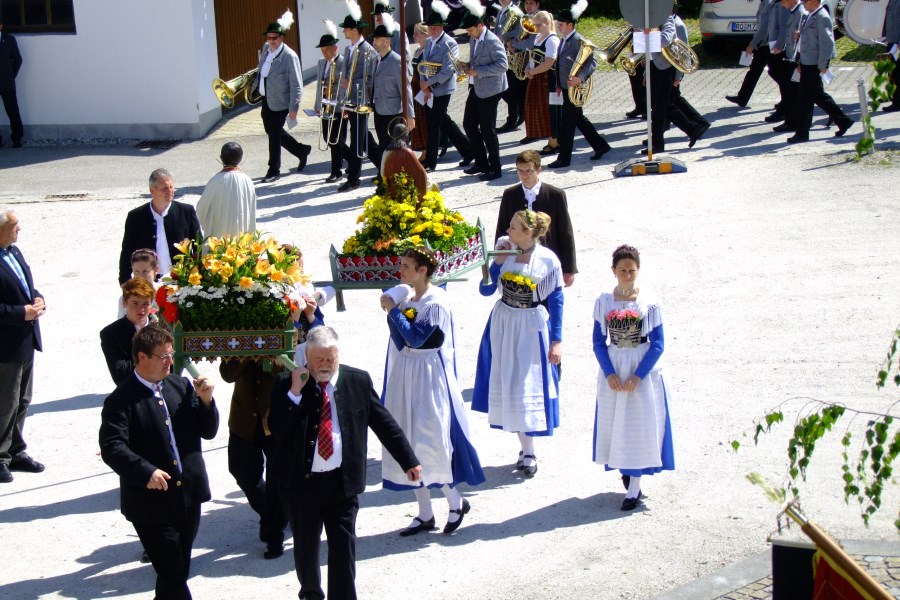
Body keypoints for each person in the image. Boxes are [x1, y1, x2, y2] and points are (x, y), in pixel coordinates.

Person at [268, 326, 422, 600]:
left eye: (331, 359)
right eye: (319, 360)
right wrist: (294, 392)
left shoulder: (357, 381)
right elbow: (277, 430)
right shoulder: (287, 383)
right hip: (302, 486)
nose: (325, 365)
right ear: (307, 356)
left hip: (342, 483)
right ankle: (311, 595)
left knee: (343, 548)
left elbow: (383, 423)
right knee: (306, 549)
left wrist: (408, 459)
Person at [99, 325, 219, 599]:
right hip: (150, 503)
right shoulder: (120, 400)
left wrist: (206, 401)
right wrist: (145, 471)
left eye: (171, 355)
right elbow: (111, 446)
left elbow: (208, 431)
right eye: (163, 356)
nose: (170, 361)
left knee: (176, 571)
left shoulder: (180, 385)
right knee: (174, 574)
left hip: (188, 495)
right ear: (142, 358)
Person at [379, 248, 484, 536]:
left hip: (428, 373)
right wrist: (395, 314)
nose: (401, 271)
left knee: (430, 439)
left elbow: (416, 336)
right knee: (408, 439)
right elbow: (401, 342)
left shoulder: (436, 301)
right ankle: (425, 513)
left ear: (423, 270)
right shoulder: (410, 298)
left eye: (407, 266)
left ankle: (455, 502)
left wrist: (393, 311)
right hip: (408, 370)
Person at [472, 209, 562, 478]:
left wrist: (556, 340)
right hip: (503, 323)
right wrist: (497, 262)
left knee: (527, 385)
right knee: (509, 383)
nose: (508, 230)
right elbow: (486, 290)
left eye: (513, 227)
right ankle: (524, 447)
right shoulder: (505, 250)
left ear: (528, 232)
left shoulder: (547, 260)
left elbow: (556, 302)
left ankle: (530, 450)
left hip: (530, 325)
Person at [592, 245, 674, 511]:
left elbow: (658, 344)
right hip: (616, 363)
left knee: (640, 424)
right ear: (613, 271)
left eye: (632, 270)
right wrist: (610, 373)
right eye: (622, 270)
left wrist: (639, 376)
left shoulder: (649, 303)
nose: (627, 275)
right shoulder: (604, 301)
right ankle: (627, 470)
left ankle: (634, 488)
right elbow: (598, 341)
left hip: (640, 366)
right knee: (616, 422)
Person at [0, 207, 45, 484]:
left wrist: (38, 299)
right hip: (5, 346)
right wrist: (21, 313)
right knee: (5, 403)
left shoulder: (13, 252)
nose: (20, 229)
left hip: (25, 340)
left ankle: (16, 451)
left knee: (22, 400)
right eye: (15, 225)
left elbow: (27, 286)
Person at [495, 150, 576, 286]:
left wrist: (569, 268)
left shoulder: (555, 195)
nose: (523, 175)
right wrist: (499, 259)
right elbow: (502, 228)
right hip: (518, 261)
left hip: (546, 262)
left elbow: (565, 232)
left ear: (539, 170)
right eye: (520, 171)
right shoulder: (510, 194)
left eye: (528, 171)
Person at [548, 2, 610, 169]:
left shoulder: (578, 40)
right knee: (579, 120)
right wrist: (560, 84)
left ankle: (564, 159)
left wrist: (580, 78)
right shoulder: (564, 40)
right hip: (566, 87)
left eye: (561, 24)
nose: (559, 27)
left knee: (567, 125)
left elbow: (592, 62)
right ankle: (601, 146)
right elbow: (561, 63)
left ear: (570, 25)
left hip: (575, 88)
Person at [118, 169, 202, 286]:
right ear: (152, 190)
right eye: (164, 188)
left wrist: (201, 273)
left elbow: (199, 246)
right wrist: (124, 279)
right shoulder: (136, 217)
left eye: (171, 187)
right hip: (148, 280)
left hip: (181, 278)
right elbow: (127, 250)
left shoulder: (186, 211)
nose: (170, 191)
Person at [788, 0, 853, 143]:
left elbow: (827, 42)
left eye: (805, 1)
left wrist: (824, 64)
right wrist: (799, 58)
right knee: (819, 96)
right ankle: (843, 121)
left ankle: (802, 133)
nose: (803, 4)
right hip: (806, 62)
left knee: (805, 99)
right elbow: (806, 39)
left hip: (814, 64)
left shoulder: (822, 17)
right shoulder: (808, 15)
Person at [419, 1, 473, 173]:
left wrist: (430, 84)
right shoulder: (429, 42)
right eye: (431, 27)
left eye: (436, 27)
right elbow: (423, 64)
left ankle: (431, 161)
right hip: (429, 88)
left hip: (442, 88)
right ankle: (468, 149)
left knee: (434, 123)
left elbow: (448, 70)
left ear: (442, 27)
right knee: (443, 121)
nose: (433, 30)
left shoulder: (450, 43)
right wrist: (423, 83)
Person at [257, 16, 312, 184]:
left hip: (281, 102)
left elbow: (297, 85)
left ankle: (274, 170)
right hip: (267, 99)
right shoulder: (266, 48)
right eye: (269, 38)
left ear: (281, 38)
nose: (271, 41)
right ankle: (301, 150)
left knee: (273, 135)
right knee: (271, 130)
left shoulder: (290, 56)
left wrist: (294, 107)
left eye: (275, 38)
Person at [460, 1, 508, 181]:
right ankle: (481, 162)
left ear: (480, 25)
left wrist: (477, 71)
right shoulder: (475, 38)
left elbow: (503, 65)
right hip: (477, 87)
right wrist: (468, 65)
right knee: (469, 124)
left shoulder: (492, 41)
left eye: (471, 29)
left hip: (491, 89)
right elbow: (477, 61)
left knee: (488, 130)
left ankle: (495, 168)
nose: (469, 33)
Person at [369, 15, 415, 181]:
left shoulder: (396, 61)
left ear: (387, 42)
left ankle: (394, 177)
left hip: (393, 111)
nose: (374, 42)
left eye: (378, 39)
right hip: (380, 109)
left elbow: (406, 89)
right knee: (383, 145)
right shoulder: (376, 60)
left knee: (394, 147)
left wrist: (410, 115)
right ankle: (383, 176)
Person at [337, 5, 378, 192]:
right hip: (351, 100)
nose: (344, 31)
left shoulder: (367, 50)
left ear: (354, 30)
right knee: (364, 138)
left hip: (362, 101)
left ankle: (354, 178)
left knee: (357, 140)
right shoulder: (349, 49)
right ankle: (384, 167)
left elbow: (370, 78)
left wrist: (350, 84)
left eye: (346, 28)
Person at [726, 0, 781, 111]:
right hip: (764, 44)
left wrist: (752, 45)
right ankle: (742, 98)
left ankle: (789, 98)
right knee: (756, 71)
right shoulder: (764, 2)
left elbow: (764, 28)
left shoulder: (768, 4)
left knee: (776, 73)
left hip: (766, 45)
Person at [667, 9, 710, 148]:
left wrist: (678, 76)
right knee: (673, 99)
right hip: (671, 67)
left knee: (670, 101)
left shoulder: (677, 25)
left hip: (675, 69)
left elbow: (684, 53)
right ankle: (700, 123)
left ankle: (697, 125)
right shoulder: (669, 22)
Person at [101, 277, 157, 386]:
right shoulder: (111, 334)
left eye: (145, 304)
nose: (141, 309)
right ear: (124, 303)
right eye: (135, 303)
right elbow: (120, 374)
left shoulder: (162, 329)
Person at [196, 141, 256, 238]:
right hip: (242, 239)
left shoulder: (215, 181)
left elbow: (201, 211)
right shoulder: (248, 181)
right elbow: (251, 211)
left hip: (217, 240)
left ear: (221, 158)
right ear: (240, 159)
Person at [314, 21, 349, 184]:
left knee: (337, 139)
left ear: (335, 48)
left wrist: (343, 106)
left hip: (338, 105)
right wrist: (317, 104)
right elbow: (318, 85)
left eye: (327, 50)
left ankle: (336, 171)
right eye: (322, 50)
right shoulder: (322, 63)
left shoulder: (342, 62)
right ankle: (352, 159)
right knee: (330, 138)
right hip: (325, 104)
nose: (324, 53)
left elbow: (343, 86)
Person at [523, 11, 560, 154]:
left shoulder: (552, 40)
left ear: (548, 23)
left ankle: (555, 142)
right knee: (540, 110)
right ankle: (553, 140)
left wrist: (532, 72)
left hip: (549, 80)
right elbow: (533, 57)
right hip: (537, 77)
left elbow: (550, 62)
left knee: (551, 110)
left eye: (539, 25)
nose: (536, 28)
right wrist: (528, 68)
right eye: (535, 25)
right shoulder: (538, 37)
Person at [116, 248, 160, 319]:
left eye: (145, 271)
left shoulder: (165, 292)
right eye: (136, 271)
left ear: (156, 270)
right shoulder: (126, 297)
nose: (140, 276)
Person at [0, 18, 23, 148]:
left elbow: (18, 60)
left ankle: (17, 138)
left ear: (1, 25)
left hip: (7, 82)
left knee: (13, 111)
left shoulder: (9, 40)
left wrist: (11, 75)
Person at [883, 0, 900, 112]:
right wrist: (885, 35)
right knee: (891, 72)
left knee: (896, 73)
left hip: (897, 43)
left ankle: (898, 102)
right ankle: (894, 97)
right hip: (892, 40)